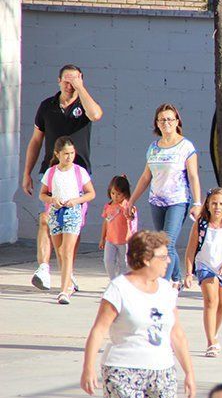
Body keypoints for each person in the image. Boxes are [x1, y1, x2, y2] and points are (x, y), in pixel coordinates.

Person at [80, 230, 196, 398]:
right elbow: (98, 330)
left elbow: (176, 332)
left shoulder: (167, 290)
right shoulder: (119, 288)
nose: (168, 261)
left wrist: (189, 371)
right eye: (163, 257)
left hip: (162, 371)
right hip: (123, 372)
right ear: (145, 259)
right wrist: (88, 367)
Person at [23, 64, 103, 291]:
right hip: (51, 171)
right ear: (58, 81)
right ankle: (44, 268)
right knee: (47, 219)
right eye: (66, 80)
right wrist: (27, 172)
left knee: (72, 228)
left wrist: (81, 88)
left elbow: (96, 115)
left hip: (78, 174)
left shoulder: (84, 104)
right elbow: (36, 140)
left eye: (75, 80)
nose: (70, 85)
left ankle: (68, 273)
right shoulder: (47, 106)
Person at [128, 103, 202, 288]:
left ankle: (161, 285)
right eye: (162, 120)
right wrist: (131, 201)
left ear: (177, 121)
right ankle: (177, 278)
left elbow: (193, 176)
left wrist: (198, 202)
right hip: (156, 201)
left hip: (178, 201)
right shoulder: (153, 148)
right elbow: (146, 177)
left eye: (170, 119)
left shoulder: (186, 146)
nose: (166, 122)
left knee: (166, 244)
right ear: (157, 123)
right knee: (165, 243)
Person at [185, 188, 222, 358]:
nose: (217, 207)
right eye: (214, 203)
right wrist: (189, 273)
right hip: (205, 265)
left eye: (221, 204)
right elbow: (191, 250)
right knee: (211, 301)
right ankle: (211, 341)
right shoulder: (201, 224)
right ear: (208, 205)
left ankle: (214, 333)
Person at [38, 136, 96, 304]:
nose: (69, 157)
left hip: (73, 211)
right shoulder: (51, 172)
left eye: (71, 153)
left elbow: (90, 193)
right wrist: (51, 200)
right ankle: (68, 280)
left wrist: (75, 201)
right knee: (60, 251)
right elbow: (42, 193)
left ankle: (64, 291)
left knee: (68, 250)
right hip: (55, 212)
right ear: (57, 154)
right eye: (65, 154)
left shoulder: (79, 171)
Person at [99, 175, 137, 280]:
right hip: (110, 240)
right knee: (108, 261)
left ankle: (122, 282)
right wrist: (102, 238)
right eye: (113, 193)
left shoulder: (128, 206)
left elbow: (132, 218)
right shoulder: (108, 206)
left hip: (124, 240)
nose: (115, 196)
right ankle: (113, 280)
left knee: (124, 263)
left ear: (125, 194)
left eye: (118, 194)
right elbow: (105, 222)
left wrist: (129, 213)